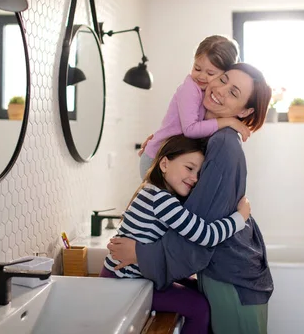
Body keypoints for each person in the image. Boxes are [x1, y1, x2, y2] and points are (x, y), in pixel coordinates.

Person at [109, 62, 274, 334]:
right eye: (222, 79)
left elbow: (201, 227)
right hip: (230, 272)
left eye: (233, 93)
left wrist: (141, 254)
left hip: (231, 276)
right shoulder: (210, 134)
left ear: (245, 111)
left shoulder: (223, 143)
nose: (219, 90)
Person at [100, 134, 251, 334]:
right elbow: (207, 236)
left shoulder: (152, 191)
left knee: (198, 290)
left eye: (199, 173)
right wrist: (241, 217)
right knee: (199, 307)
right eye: (189, 168)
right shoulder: (162, 201)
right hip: (125, 284)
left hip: (129, 278)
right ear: (164, 164)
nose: (194, 178)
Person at [139, 35, 251, 179]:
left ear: (225, 74)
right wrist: (229, 122)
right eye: (197, 68)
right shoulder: (190, 89)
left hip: (171, 159)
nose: (202, 76)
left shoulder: (208, 94)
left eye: (210, 73)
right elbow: (190, 129)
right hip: (155, 159)